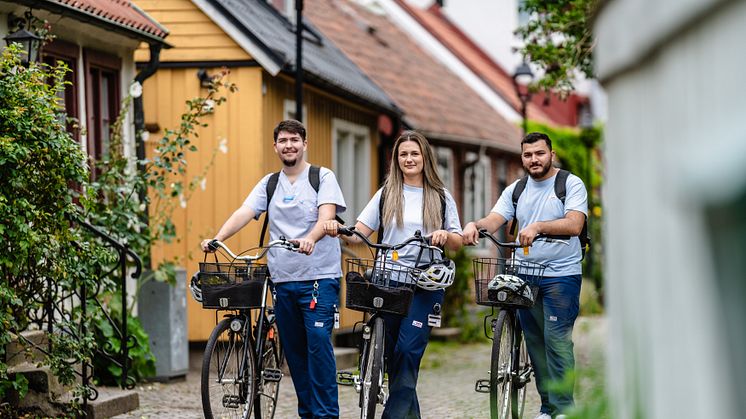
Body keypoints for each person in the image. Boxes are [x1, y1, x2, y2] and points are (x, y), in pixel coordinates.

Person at [200, 119, 345, 419]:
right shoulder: (270, 183)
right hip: (282, 280)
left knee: (318, 346)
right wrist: (218, 237)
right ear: (275, 146)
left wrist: (310, 239)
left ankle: (327, 415)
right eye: (283, 141)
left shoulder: (322, 177)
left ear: (305, 144)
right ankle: (309, 414)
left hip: (319, 277)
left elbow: (326, 216)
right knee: (294, 352)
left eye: (294, 139)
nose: (289, 145)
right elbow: (246, 211)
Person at [324, 130, 462, 419]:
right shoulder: (387, 193)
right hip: (389, 281)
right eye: (403, 154)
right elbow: (361, 234)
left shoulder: (440, 196)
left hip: (426, 283)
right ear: (396, 160)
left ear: (425, 157)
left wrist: (444, 235)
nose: (409, 159)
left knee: (409, 351)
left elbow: (458, 241)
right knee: (391, 357)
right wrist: (339, 229)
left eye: (414, 153)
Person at [463, 132, 587, 419]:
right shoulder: (516, 190)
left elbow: (575, 224)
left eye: (540, 153)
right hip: (525, 275)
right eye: (528, 155)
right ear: (522, 158)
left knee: (556, 340)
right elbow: (495, 219)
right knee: (535, 342)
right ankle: (547, 407)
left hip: (561, 275)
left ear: (551, 154)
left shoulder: (570, 184)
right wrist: (475, 225)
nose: (534, 159)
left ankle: (564, 410)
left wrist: (539, 226)